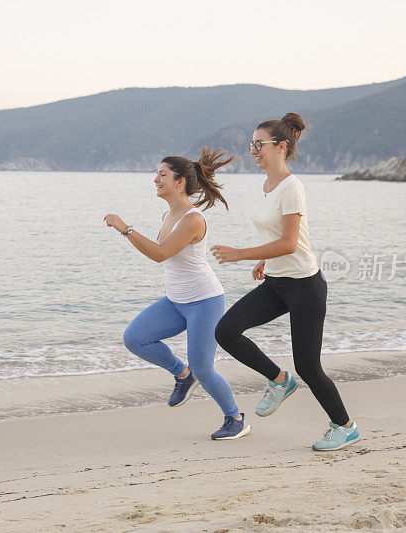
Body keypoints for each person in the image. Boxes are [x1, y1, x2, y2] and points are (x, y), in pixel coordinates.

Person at [210, 113, 360, 451]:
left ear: (281, 147)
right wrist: (265, 259)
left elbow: (291, 243)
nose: (253, 150)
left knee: (308, 365)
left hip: (305, 287)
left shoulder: (293, 186)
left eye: (259, 145)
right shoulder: (266, 186)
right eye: (252, 145)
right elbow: (277, 234)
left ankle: (344, 426)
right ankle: (279, 381)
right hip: (277, 282)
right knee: (226, 331)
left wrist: (242, 254)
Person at [104, 147, 250, 440]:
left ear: (180, 181)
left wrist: (125, 228)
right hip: (175, 301)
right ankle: (182, 375)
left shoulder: (193, 219)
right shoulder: (168, 213)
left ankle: (235, 419)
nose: (155, 179)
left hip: (204, 301)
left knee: (204, 367)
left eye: (162, 174)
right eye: (156, 174)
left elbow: (161, 254)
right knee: (135, 338)